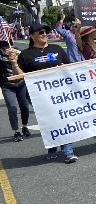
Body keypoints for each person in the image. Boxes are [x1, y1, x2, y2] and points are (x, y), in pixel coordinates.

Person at [9, 23, 78, 163]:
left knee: (62, 119)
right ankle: (53, 146)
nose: (45, 34)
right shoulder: (26, 54)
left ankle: (67, 151)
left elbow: (68, 67)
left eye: (46, 32)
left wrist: (64, 67)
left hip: (60, 93)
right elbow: (20, 75)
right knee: (51, 121)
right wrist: (14, 64)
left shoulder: (57, 49)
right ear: (32, 36)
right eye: (41, 32)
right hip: (38, 95)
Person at [0, 40, 31, 143]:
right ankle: (16, 131)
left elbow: (25, 62)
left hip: (21, 83)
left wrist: (16, 56)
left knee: (25, 106)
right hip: (7, 84)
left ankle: (25, 126)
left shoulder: (18, 52)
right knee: (12, 107)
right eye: (4, 48)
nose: (7, 48)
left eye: (8, 45)